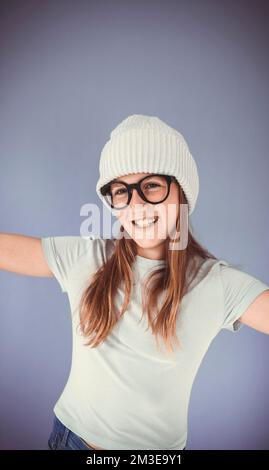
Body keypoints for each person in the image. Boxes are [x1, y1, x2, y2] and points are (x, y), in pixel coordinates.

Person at [1, 114, 269, 451]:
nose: (136, 204)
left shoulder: (216, 284)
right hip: (71, 441)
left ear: (181, 193)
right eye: (121, 191)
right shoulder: (87, 256)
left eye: (152, 185)